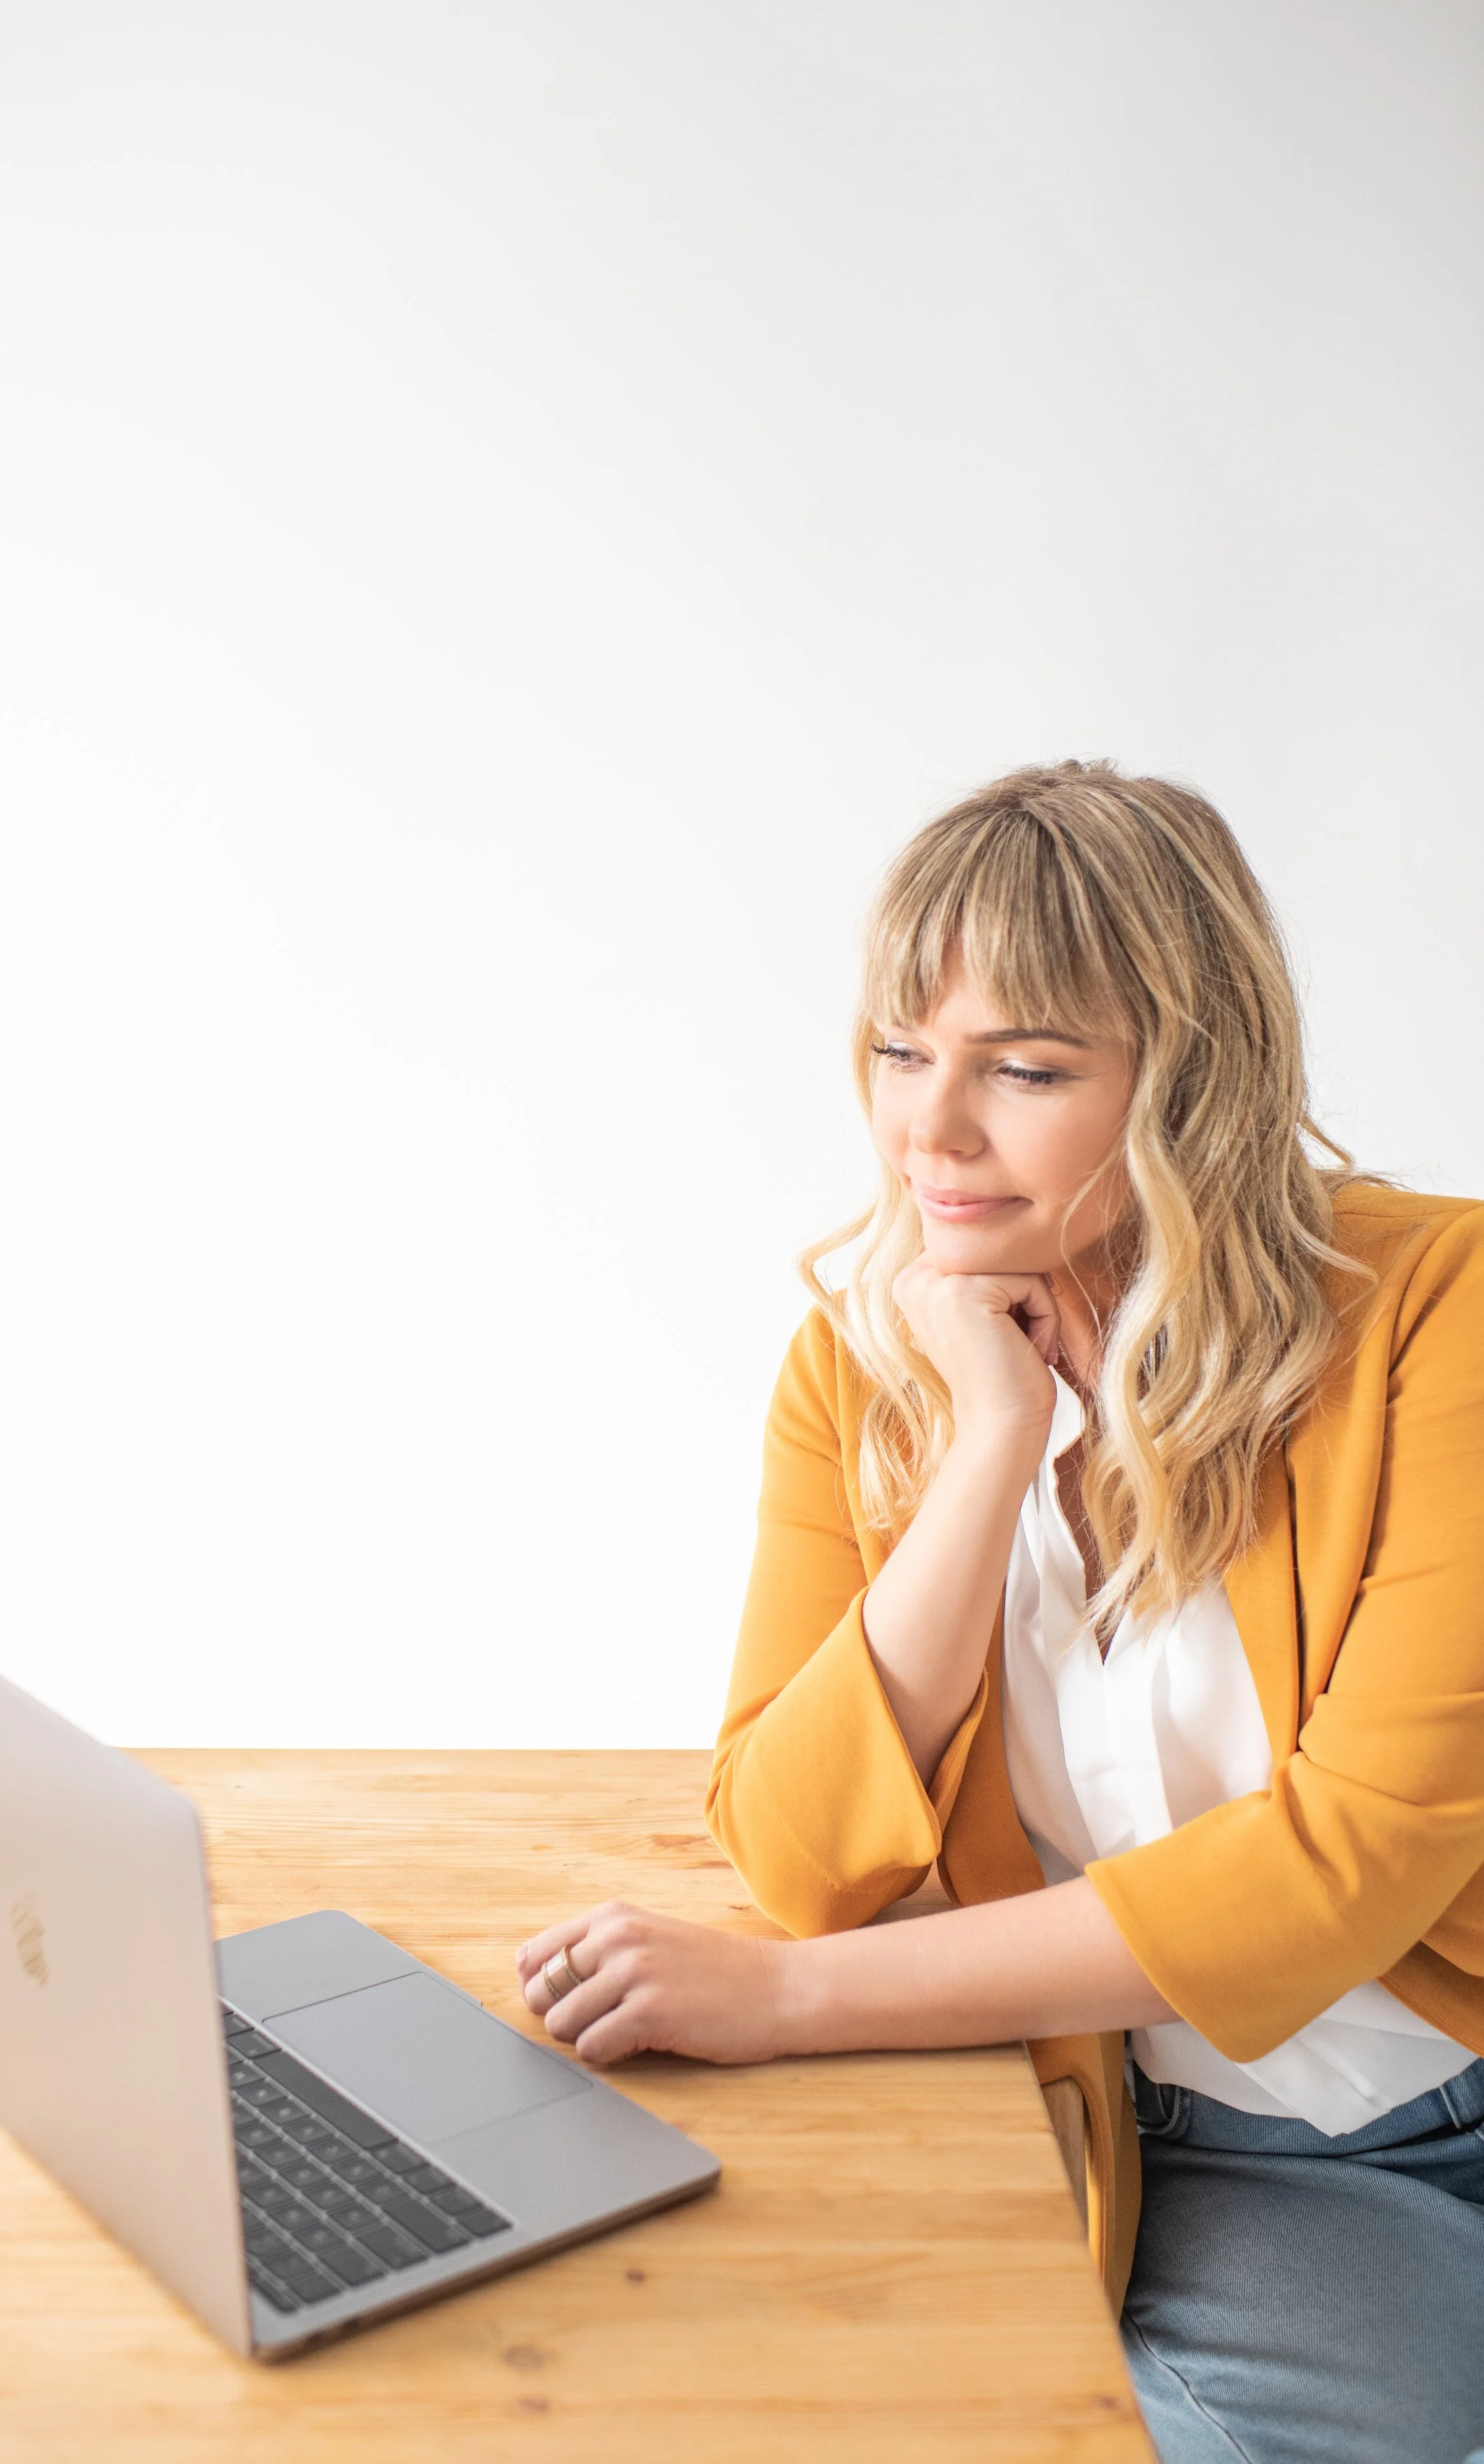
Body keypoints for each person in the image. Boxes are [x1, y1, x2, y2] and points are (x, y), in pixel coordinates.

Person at [515, 761, 1484, 2464]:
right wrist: (984, 1453)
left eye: (1023, 1069)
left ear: (1192, 1080)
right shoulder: (860, 1366)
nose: (929, 1132)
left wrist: (782, 2003)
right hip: (1074, 2102)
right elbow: (802, 1853)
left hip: (1406, 2127)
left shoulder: (1436, 1315)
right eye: (901, 1053)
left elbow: (1343, 1875)